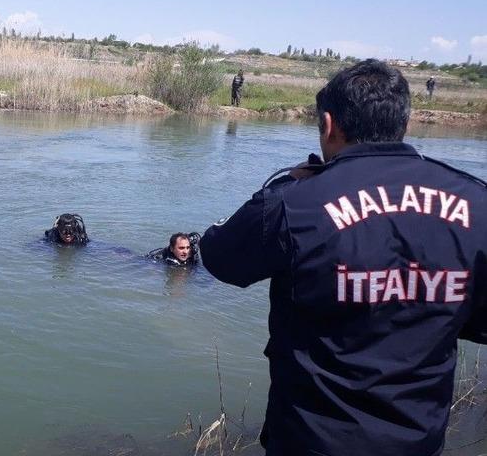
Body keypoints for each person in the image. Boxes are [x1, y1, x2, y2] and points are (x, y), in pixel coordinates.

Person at [198, 59, 485, 456]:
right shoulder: (476, 202)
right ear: (403, 122)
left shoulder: (296, 203)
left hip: (309, 440)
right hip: (418, 442)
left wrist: (282, 187)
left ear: (329, 125)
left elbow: (219, 256)